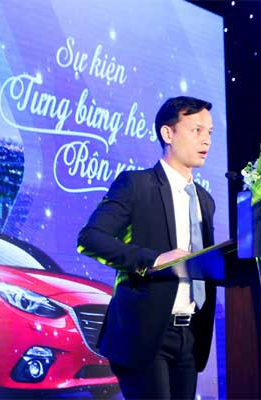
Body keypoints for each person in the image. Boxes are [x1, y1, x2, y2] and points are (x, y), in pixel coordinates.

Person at [77, 96, 216, 399]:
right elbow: (90, 238)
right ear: (168, 133)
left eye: (209, 132)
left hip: (190, 334)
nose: (206, 140)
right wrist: (153, 260)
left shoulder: (205, 200)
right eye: (196, 130)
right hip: (144, 333)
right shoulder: (136, 184)